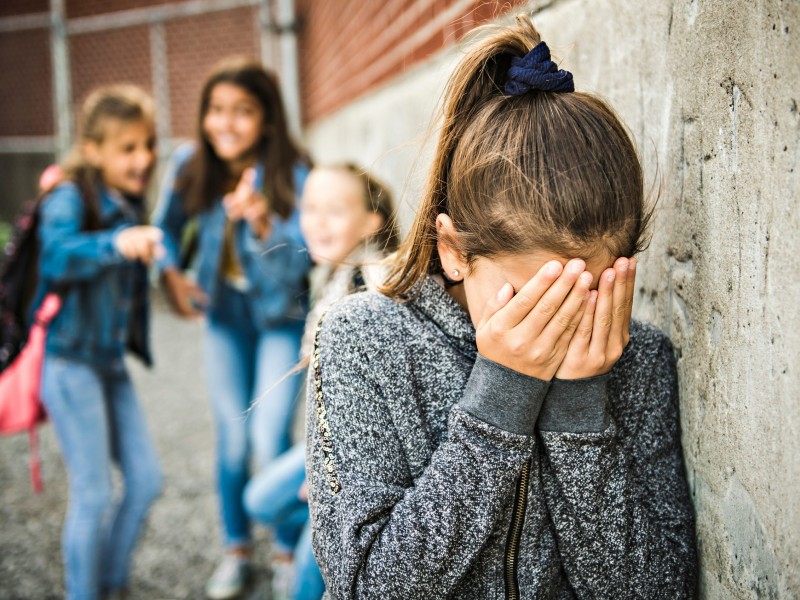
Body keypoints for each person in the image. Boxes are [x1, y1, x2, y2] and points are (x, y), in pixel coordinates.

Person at [305, 16, 697, 600]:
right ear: (454, 252)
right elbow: (366, 587)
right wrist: (501, 399)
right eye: (534, 299)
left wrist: (579, 410)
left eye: (584, 294)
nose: (559, 324)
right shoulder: (362, 340)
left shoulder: (636, 360)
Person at [152, 57, 312, 600]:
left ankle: (290, 545)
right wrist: (169, 275)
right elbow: (163, 231)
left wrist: (263, 221)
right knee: (234, 441)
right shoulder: (189, 163)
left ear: (267, 120)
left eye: (242, 112)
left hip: (278, 320)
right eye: (216, 110)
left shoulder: (294, 173)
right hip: (224, 318)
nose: (226, 123)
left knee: (269, 437)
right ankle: (236, 548)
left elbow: (298, 268)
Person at [243, 163, 399, 600]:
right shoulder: (332, 275)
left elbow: (382, 398)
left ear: (371, 222)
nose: (318, 221)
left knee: (307, 584)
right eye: (310, 208)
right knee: (259, 500)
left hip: (358, 458)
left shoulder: (375, 284)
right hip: (327, 445)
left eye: (335, 210)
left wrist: (329, 472)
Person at [37, 85, 164, 600]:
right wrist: (114, 243)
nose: (144, 157)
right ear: (93, 150)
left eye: (148, 144)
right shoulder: (70, 196)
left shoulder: (130, 201)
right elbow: (56, 256)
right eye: (128, 147)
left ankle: (109, 584)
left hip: (108, 364)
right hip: (69, 364)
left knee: (146, 481)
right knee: (92, 493)